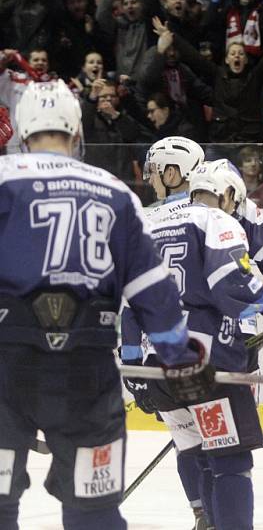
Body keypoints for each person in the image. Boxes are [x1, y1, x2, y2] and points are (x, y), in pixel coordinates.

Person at [0, 79, 207, 530]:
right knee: (93, 510)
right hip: (86, 370)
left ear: (21, 130)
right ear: (77, 132)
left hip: (5, 365)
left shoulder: (2, 179)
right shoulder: (115, 192)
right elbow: (153, 287)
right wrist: (178, 358)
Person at [124, 138, 263, 528]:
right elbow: (238, 279)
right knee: (228, 459)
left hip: (156, 364)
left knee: (192, 445)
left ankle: (202, 516)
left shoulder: (145, 223)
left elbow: (130, 304)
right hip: (210, 360)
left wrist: (132, 366)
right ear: (229, 195)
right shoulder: (219, 217)